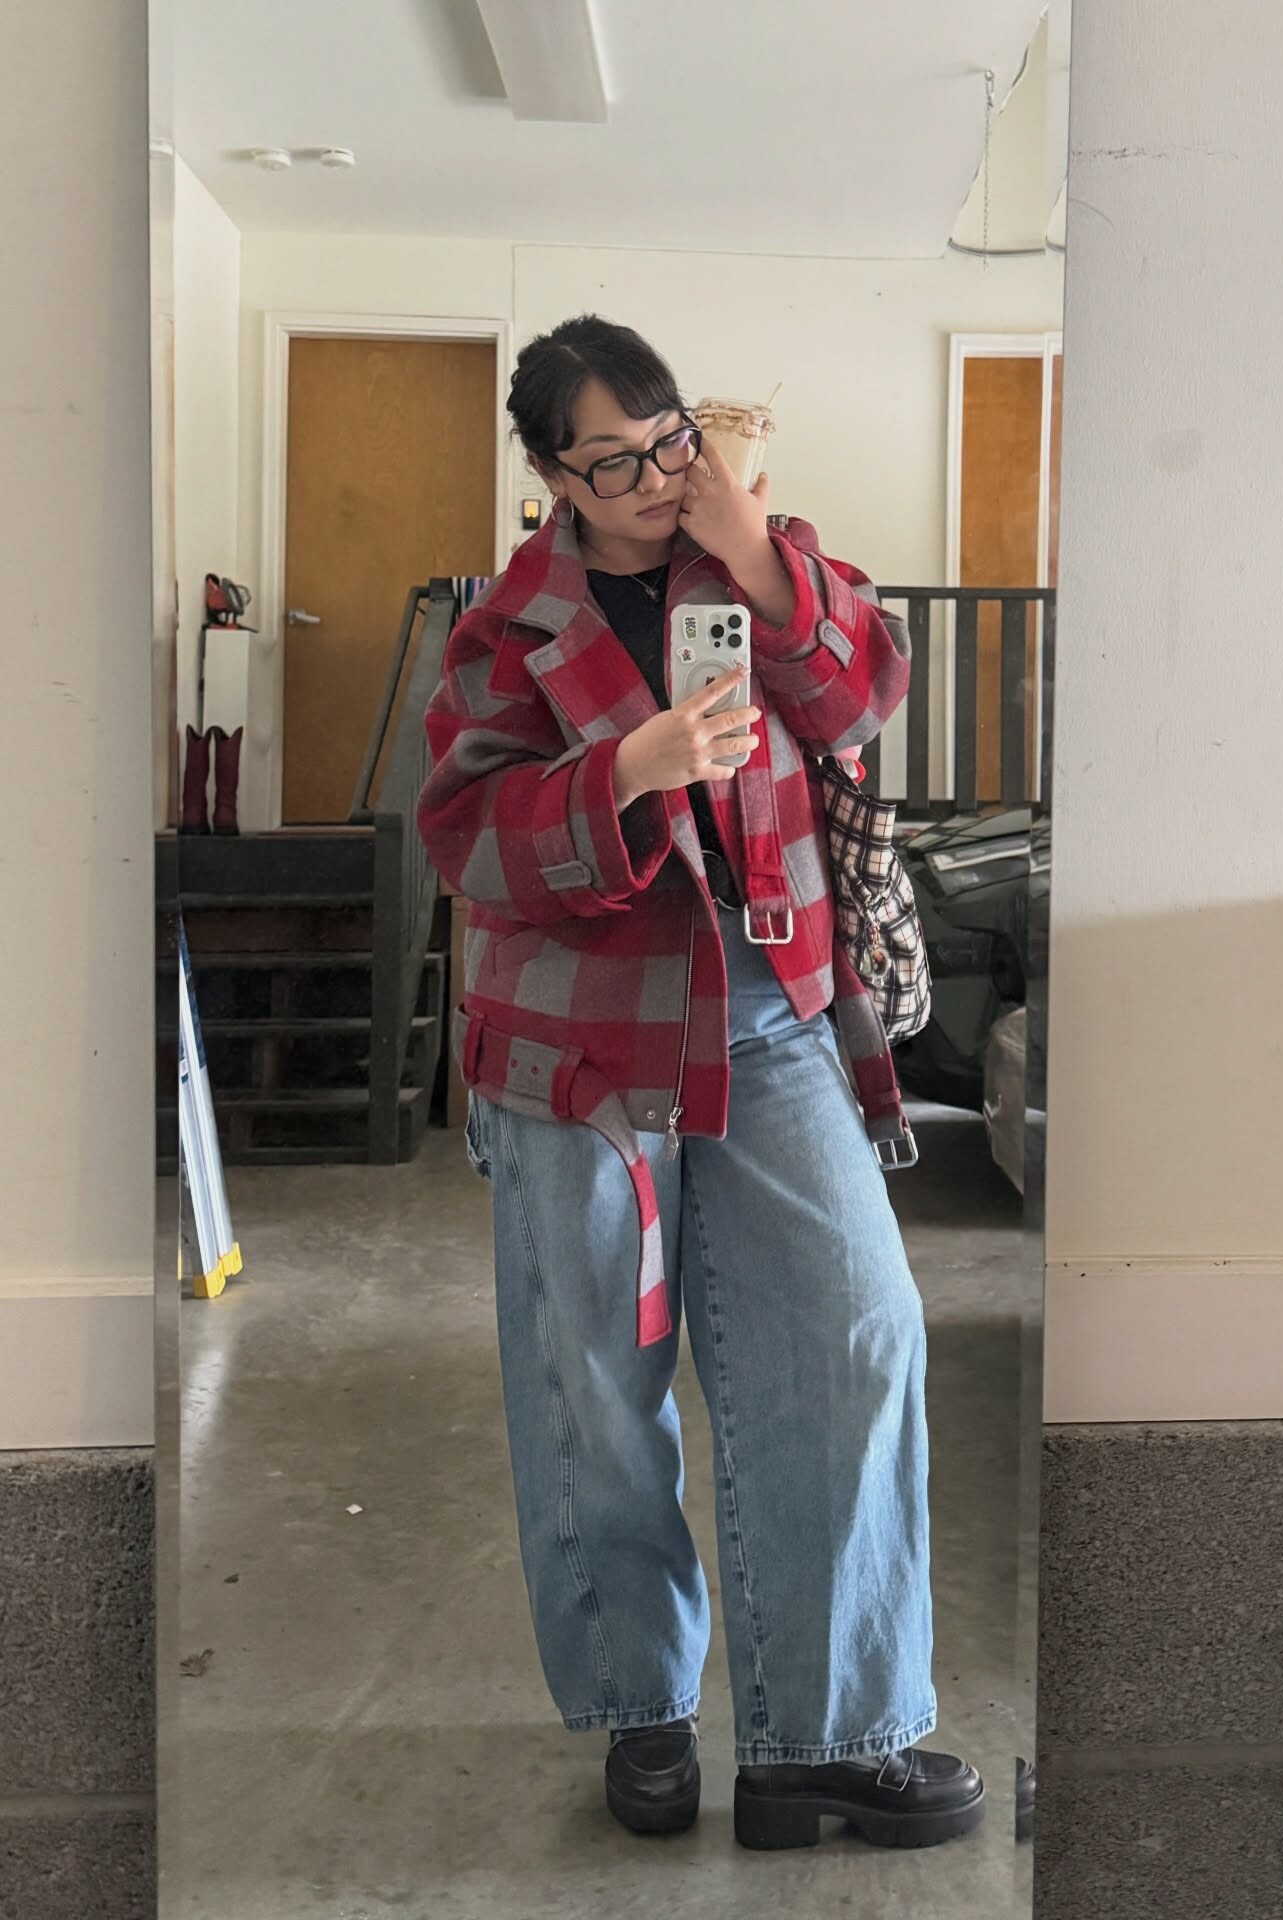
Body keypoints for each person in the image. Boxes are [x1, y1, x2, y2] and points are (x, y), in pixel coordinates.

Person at [416, 316, 985, 1852]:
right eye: (612, 462)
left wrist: (752, 549)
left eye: (667, 440)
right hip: (578, 1044)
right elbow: (465, 837)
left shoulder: (756, 556)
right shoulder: (508, 630)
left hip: (767, 1012)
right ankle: (640, 1704)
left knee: (859, 1333)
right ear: (552, 477)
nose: (655, 478)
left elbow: (862, 695)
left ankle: (823, 1739)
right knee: (600, 1387)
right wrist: (629, 771)